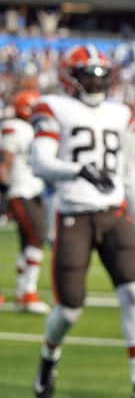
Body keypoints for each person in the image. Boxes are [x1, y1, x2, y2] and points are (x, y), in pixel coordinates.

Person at [29, 44, 135, 398]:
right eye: (89, 74)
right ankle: (48, 354)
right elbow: (39, 161)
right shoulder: (53, 107)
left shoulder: (120, 113)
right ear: (70, 78)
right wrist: (77, 170)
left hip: (115, 213)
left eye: (101, 75)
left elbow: (130, 170)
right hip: (74, 212)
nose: (96, 82)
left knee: (134, 293)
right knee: (70, 309)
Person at [0, 89, 51, 314]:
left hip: (32, 189)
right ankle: (28, 294)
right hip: (20, 189)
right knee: (36, 238)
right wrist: (4, 188)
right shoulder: (15, 128)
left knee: (28, 242)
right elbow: (5, 160)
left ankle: (23, 294)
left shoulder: (32, 129)